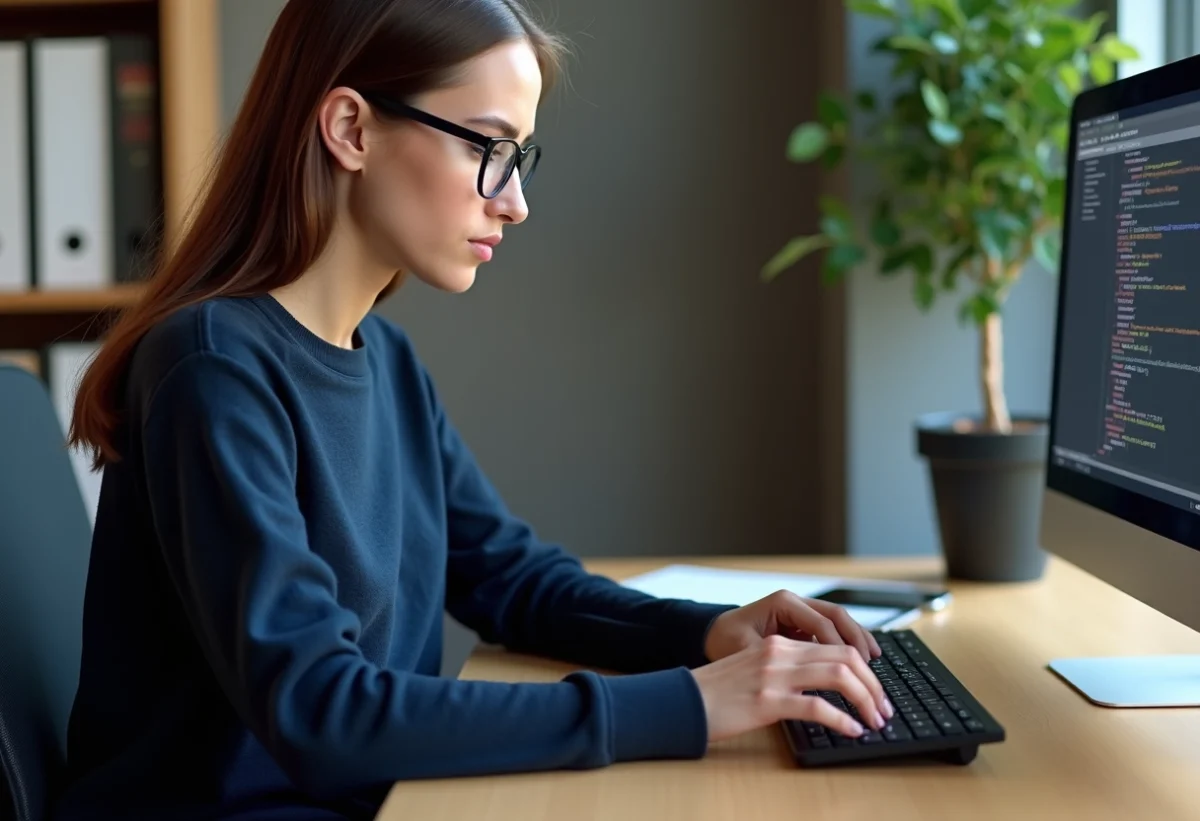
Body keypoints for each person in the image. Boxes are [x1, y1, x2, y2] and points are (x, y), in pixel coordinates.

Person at [55, 1, 892, 819]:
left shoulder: (386, 363)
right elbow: (323, 711)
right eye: (489, 149)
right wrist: (691, 706)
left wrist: (712, 637)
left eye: (520, 158)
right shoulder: (213, 369)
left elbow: (515, 582)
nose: (514, 201)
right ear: (350, 128)